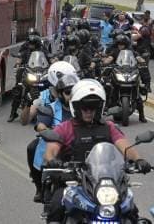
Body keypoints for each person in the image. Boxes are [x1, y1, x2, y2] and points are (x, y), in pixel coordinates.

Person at [43, 79, 151, 222]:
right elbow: (50, 151)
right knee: (56, 206)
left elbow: (124, 145)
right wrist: (52, 161)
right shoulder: (65, 128)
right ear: (77, 107)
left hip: (107, 182)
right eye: (85, 108)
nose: (89, 112)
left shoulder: (108, 127)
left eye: (92, 108)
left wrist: (138, 159)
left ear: (99, 108)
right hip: (75, 181)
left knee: (131, 211)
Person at [29, 72, 78, 203]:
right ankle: (40, 186)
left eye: (75, 92)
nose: (72, 96)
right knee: (33, 147)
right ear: (61, 94)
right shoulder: (51, 109)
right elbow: (40, 125)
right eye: (68, 92)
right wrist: (46, 131)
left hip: (80, 151)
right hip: (57, 151)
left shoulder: (84, 109)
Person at [9, 29, 51, 122]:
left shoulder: (42, 48)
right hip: (26, 70)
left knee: (49, 85)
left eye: (33, 43)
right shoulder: (25, 46)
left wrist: (52, 63)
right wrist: (18, 63)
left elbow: (48, 57)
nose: (31, 45)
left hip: (39, 71)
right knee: (18, 88)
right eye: (30, 43)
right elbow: (20, 56)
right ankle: (13, 113)